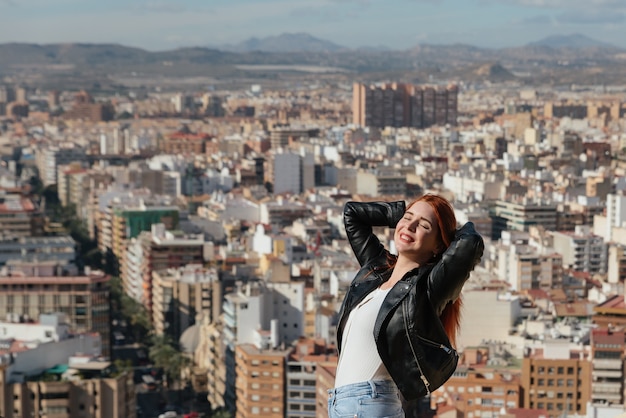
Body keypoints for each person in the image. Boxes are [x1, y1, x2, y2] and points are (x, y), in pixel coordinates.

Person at [328, 194, 484, 418]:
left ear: (439, 245)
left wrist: (448, 231)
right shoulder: (376, 270)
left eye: (423, 225)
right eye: (408, 218)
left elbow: (470, 243)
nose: (409, 226)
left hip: (369, 405)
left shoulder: (425, 290)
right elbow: (352, 213)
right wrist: (400, 214)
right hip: (341, 403)